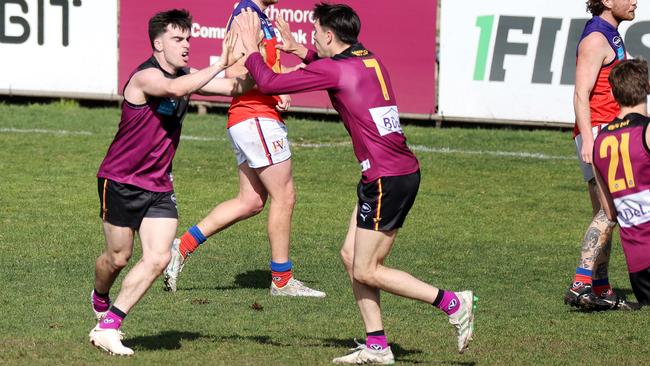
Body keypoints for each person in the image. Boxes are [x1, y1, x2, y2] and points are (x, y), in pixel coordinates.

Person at [235, 4, 476, 363]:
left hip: (386, 179)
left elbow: (270, 83)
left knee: (367, 268)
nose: (312, 36)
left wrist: (252, 48)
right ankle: (377, 345)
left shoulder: (335, 71)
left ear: (330, 35)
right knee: (350, 256)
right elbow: (335, 67)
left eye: (315, 32)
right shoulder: (368, 59)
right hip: (389, 173)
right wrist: (301, 51)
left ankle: (452, 302)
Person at [89, 9, 250, 356]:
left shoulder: (187, 76)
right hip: (120, 180)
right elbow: (175, 88)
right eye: (178, 39)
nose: (186, 45)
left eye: (188, 38)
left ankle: (110, 326)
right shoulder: (146, 77)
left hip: (159, 185)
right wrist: (221, 63)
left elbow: (236, 86)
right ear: (158, 43)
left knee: (159, 256)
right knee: (118, 258)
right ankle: (100, 296)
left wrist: (274, 79)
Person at [163, 0, 325, 298]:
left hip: (254, 117)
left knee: (250, 201)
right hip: (254, 117)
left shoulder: (256, 15)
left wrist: (284, 80)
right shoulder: (246, 17)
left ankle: (181, 246)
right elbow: (237, 77)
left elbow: (263, 70)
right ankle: (282, 280)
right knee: (285, 195)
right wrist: (279, 84)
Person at [564, 0, 637, 311]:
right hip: (600, 136)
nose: (635, 1)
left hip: (606, 133)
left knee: (607, 214)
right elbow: (581, 93)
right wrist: (590, 140)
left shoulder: (610, 32)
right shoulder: (596, 39)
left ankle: (601, 288)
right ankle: (580, 285)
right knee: (609, 213)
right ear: (607, 1)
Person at [593, 58, 650, 307]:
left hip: (638, 270)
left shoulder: (600, 142)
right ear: (647, 86)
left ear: (614, 94)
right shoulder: (646, 131)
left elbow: (608, 212)